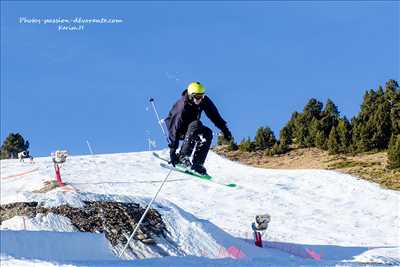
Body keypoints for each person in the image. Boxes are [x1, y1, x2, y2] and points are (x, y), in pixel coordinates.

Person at [165, 82, 233, 175]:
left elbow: (214, 115)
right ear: (190, 95)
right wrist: (173, 150)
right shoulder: (182, 106)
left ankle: (198, 163)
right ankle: (183, 157)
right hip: (177, 129)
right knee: (196, 124)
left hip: (192, 129)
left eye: (201, 96)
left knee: (207, 132)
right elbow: (174, 127)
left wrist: (225, 129)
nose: (199, 99)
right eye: (197, 96)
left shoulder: (203, 100)